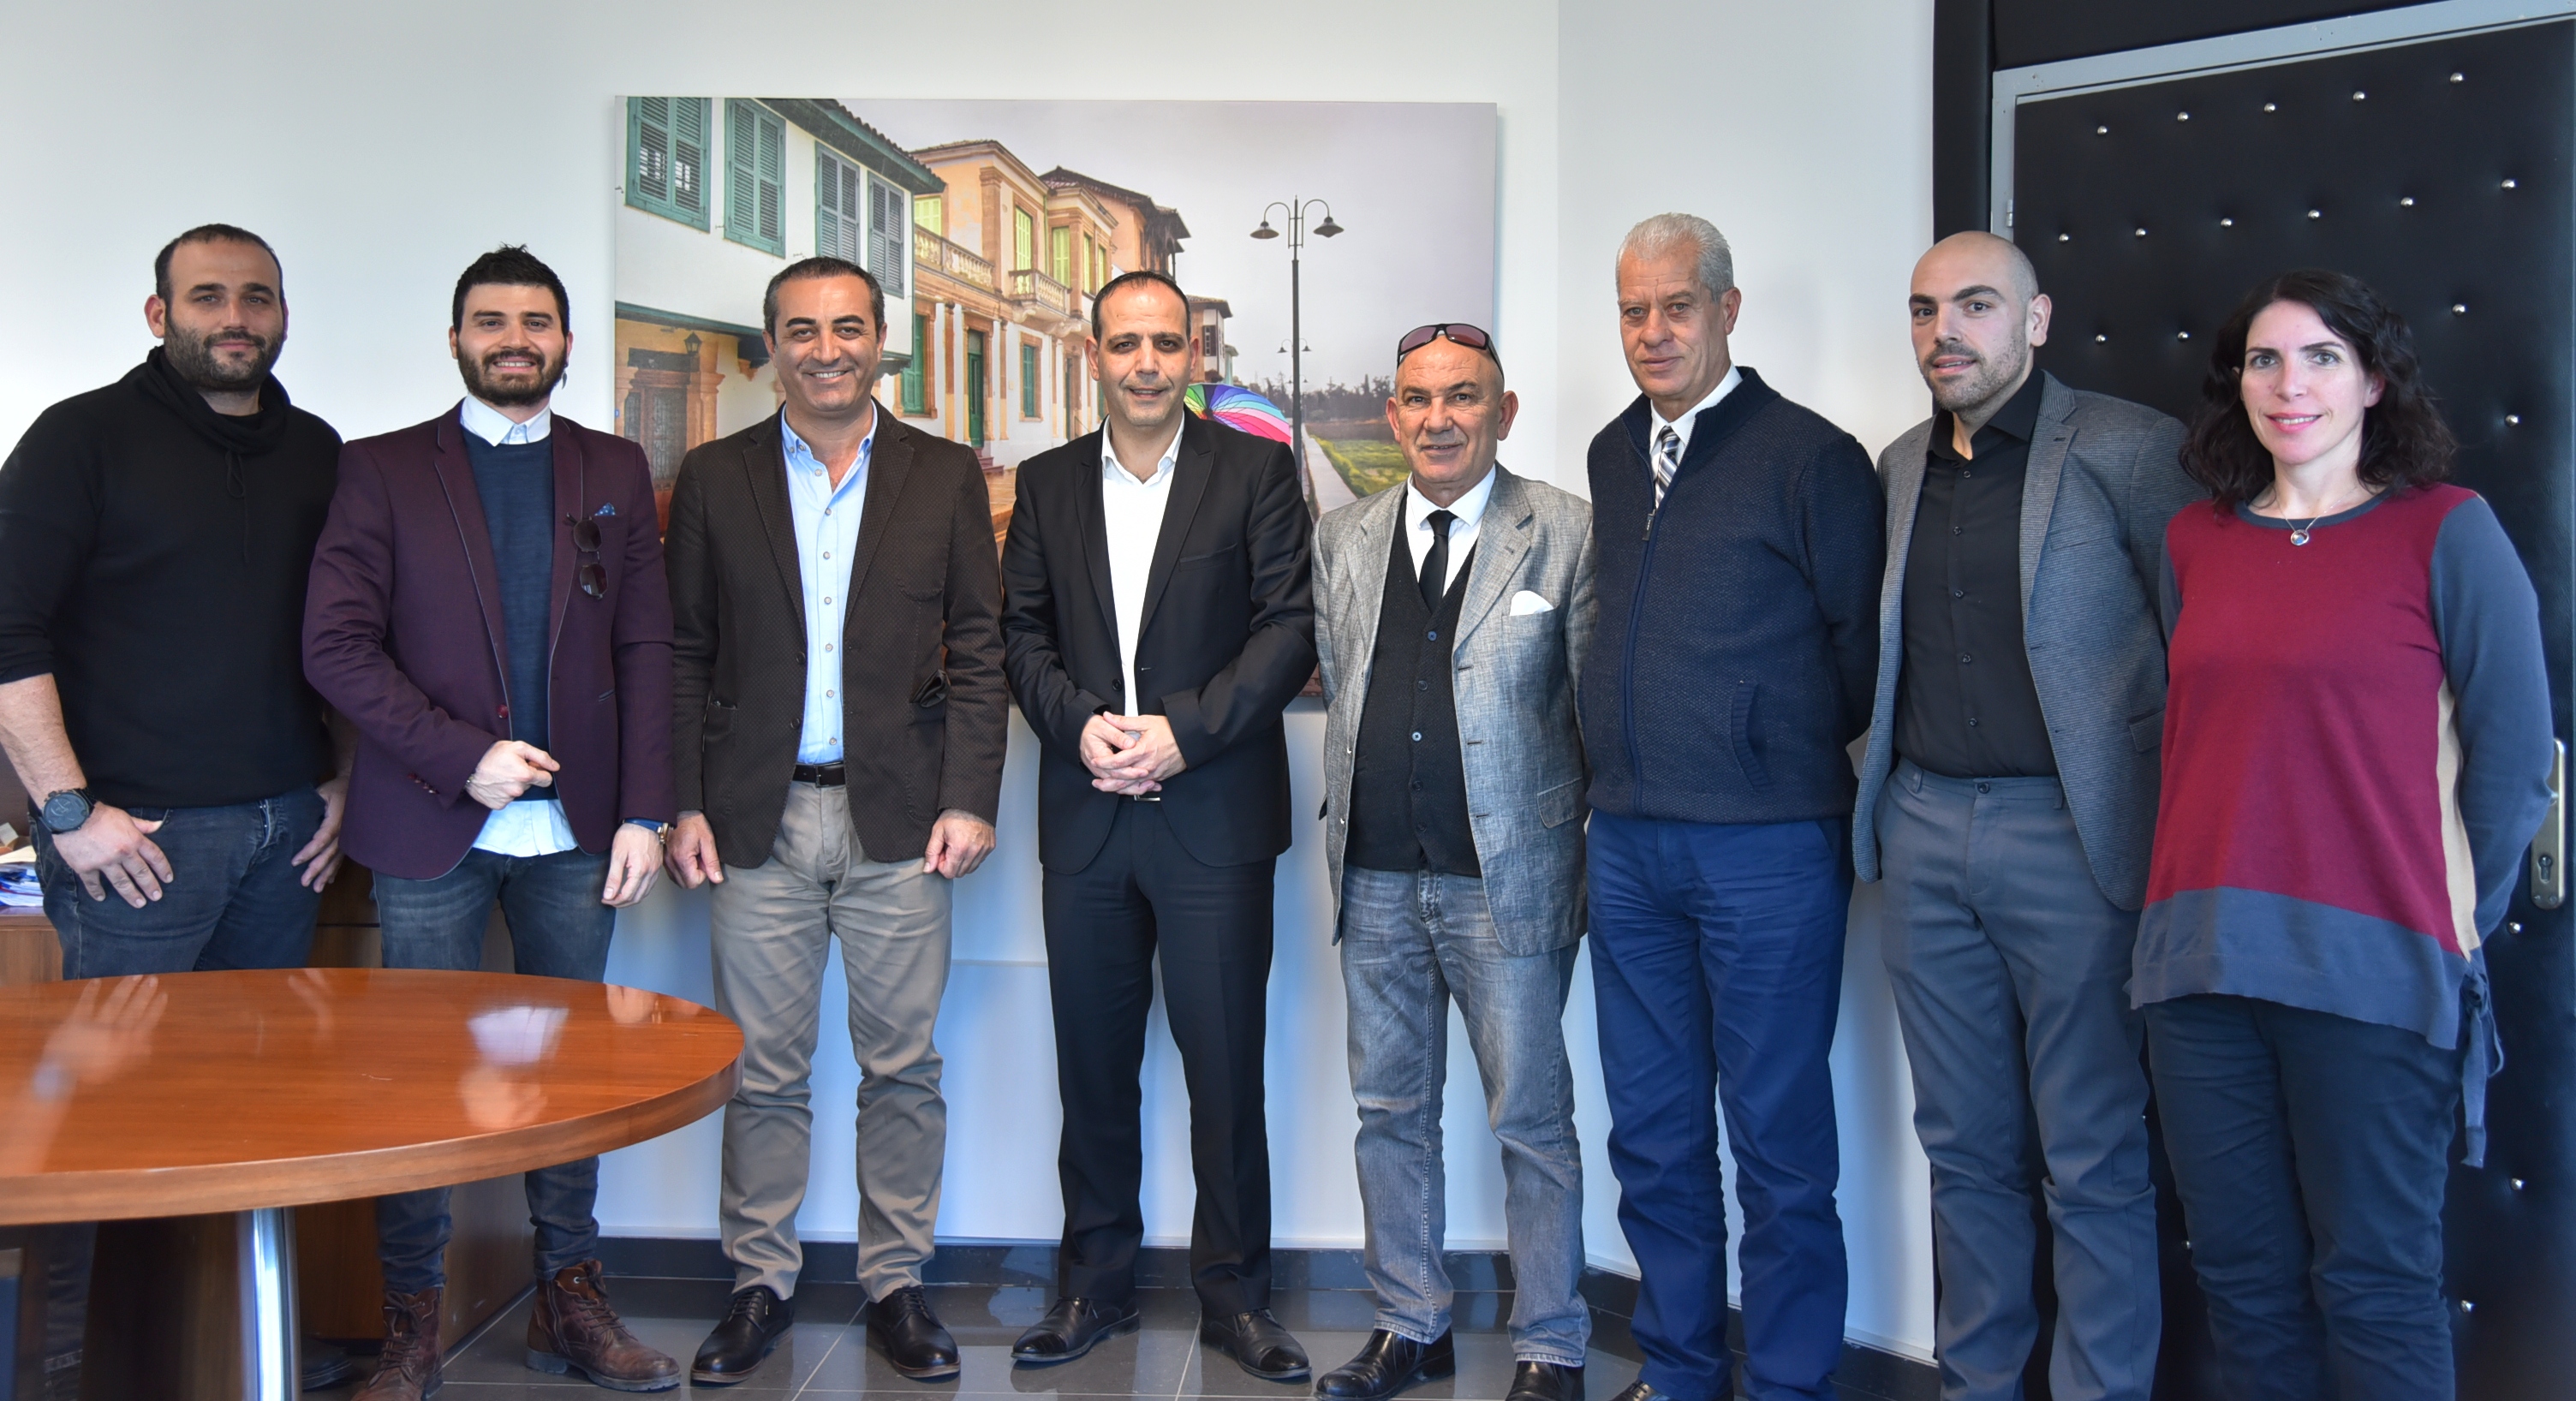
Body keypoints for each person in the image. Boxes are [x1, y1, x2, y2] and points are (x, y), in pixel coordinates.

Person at [2140, 269, 2552, 1401]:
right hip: (2198, 974)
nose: (2291, 385)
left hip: (2373, 977)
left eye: (2322, 357)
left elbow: (2514, 760)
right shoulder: (2194, 541)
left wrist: (2442, 916)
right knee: (2241, 1286)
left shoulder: (2446, 531)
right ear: (2239, 387)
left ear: (2372, 381)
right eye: (2264, 361)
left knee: (2374, 1287)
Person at [303, 246, 680, 1398]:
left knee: (572, 1075)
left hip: (582, 835)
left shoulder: (614, 466)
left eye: (535, 322)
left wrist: (647, 809)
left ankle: (569, 1300)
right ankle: (410, 1321)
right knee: (419, 1078)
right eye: (490, 320)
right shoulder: (379, 469)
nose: (514, 339)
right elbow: (335, 646)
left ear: (564, 341)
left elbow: (647, 645)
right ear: (456, 338)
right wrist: (459, 755)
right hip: (430, 826)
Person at [1850, 232, 2200, 1401]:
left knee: (2093, 1154)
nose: (1944, 331)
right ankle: (1979, 1383)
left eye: (1975, 305)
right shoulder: (1897, 466)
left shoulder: (2129, 449)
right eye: (1923, 309)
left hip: (2075, 841)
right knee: (1963, 1150)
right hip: (1922, 837)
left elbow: (2199, 647)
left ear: (2035, 321)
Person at [661, 255, 1007, 1386]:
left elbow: (980, 648)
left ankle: (895, 1283)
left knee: (901, 1067)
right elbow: (684, 651)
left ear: (878, 341)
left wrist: (969, 796)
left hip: (901, 821)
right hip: (751, 818)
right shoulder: (713, 477)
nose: (826, 349)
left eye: (847, 327)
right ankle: (758, 1283)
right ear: (771, 346)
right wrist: (682, 800)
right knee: (761, 1071)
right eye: (802, 330)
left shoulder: (942, 474)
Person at [1580, 214, 1883, 1401]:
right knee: (1653, 1137)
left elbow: (1860, 652)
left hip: (1768, 846)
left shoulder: (1812, 456)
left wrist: (1761, 743)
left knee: (1778, 1144)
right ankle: (1679, 1372)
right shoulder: (1613, 452)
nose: (1653, 332)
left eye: (1676, 306)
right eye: (1633, 310)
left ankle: (1792, 1383)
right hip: (1628, 844)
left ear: (1726, 310)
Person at [999, 270, 1316, 1380]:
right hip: (1087, 817)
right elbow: (1019, 634)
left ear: (1193, 355)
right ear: (1093, 354)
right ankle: (1092, 1289)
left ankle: (1236, 1300)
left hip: (1212, 817)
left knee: (1225, 1076)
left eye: (1165, 343)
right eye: (1125, 343)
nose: (1146, 363)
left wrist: (1185, 733)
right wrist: (1075, 723)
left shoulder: (1256, 472)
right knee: (1092, 1074)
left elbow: (1288, 628)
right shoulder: (1045, 485)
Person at [1309, 324, 1593, 1401]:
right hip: (1374, 876)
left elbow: (1588, 702)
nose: (1438, 419)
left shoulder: (1564, 529)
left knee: (1531, 1121)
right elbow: (1342, 674)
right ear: (1392, 416)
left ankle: (1550, 1345)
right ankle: (1409, 1324)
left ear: (1501, 412)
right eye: (1417, 400)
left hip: (1506, 882)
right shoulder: (1344, 536)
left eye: (1462, 397)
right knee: (1389, 1113)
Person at [0, 224, 350, 979]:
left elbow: (351, 632)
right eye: (208, 297)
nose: (236, 317)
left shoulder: (318, 450)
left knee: (261, 1052)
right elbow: (7, 630)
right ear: (159, 315)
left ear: (284, 316)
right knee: (127, 1058)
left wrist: (345, 776)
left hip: (292, 830)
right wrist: (70, 812)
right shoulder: (79, 437)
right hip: (136, 836)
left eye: (257, 298)